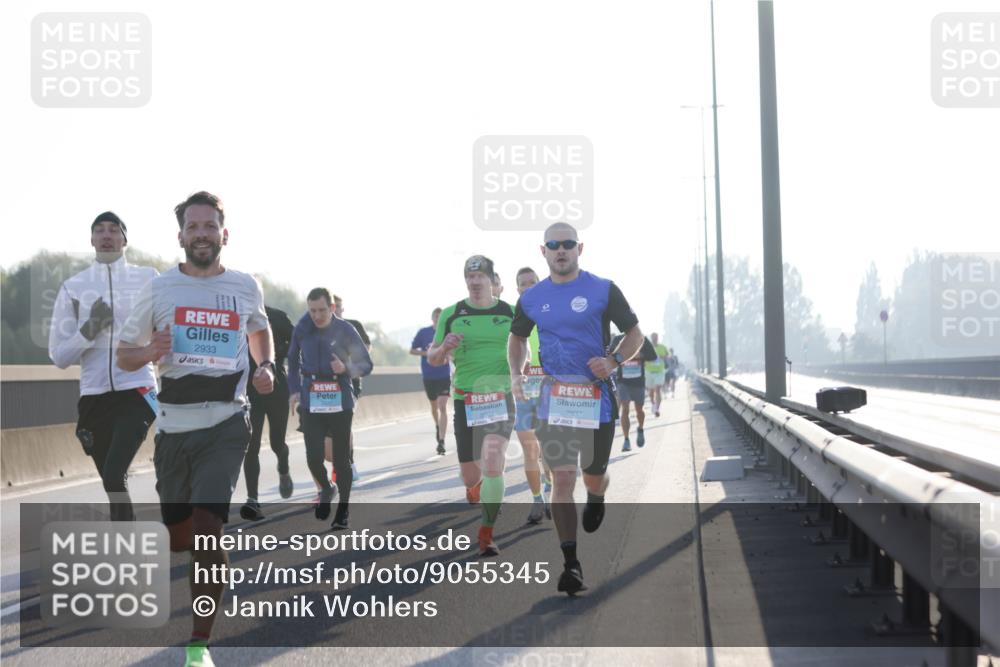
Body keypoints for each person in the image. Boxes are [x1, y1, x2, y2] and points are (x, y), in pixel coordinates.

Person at [117, 191, 276, 667]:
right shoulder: (160, 288)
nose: (202, 234)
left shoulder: (246, 285)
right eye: (193, 227)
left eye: (210, 226)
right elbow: (126, 353)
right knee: (181, 536)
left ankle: (197, 644)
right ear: (181, 235)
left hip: (227, 422)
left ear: (223, 234)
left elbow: (259, 328)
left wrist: (265, 364)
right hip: (173, 428)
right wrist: (149, 352)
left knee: (209, 534)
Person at [509, 222, 644, 596]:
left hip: (596, 398)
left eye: (568, 244)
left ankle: (598, 495)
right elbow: (517, 338)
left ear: (579, 248)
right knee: (563, 480)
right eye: (554, 245)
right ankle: (571, 564)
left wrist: (614, 360)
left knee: (592, 477)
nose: (561, 250)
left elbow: (636, 333)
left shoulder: (602, 289)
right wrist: (515, 372)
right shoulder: (533, 298)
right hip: (555, 399)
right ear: (544, 251)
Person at [48, 211, 159, 522]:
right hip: (94, 395)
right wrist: (90, 329)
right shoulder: (73, 286)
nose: (107, 235)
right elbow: (59, 356)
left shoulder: (148, 278)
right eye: (100, 230)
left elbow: (170, 326)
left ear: (125, 239)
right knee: (113, 483)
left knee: (113, 474)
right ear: (92, 239)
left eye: (114, 230)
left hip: (137, 389)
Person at [427, 255, 515, 557]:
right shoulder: (452, 314)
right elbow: (433, 358)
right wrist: (444, 347)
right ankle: (476, 489)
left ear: (492, 280)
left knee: (492, 461)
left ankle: (486, 533)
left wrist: (522, 372)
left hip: (501, 397)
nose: (474, 282)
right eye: (469, 277)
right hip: (467, 401)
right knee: (470, 475)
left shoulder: (511, 313)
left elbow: (524, 349)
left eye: (480, 277)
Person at [288, 288, 373, 530]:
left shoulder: (345, 329)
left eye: (322, 310)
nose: (316, 315)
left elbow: (366, 364)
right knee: (313, 457)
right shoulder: (302, 328)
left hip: (340, 398)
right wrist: (294, 390)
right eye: (312, 310)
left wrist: (345, 367)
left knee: (341, 460)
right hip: (312, 398)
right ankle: (326, 488)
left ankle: (343, 512)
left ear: (332, 308)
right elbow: (292, 361)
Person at [240, 304, 295, 521]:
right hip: (249, 388)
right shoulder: (237, 316)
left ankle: (283, 468)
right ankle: (253, 499)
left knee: (276, 443)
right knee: (250, 446)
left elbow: (297, 343)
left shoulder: (278, 316)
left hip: (277, 386)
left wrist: (275, 354)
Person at [512, 267, 550, 524]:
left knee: (549, 449)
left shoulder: (551, 312)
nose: (527, 286)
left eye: (532, 282)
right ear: (517, 289)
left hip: (550, 389)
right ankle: (537, 500)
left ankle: (552, 488)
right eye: (522, 283)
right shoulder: (513, 318)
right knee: (530, 449)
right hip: (525, 391)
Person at [331, 294, 370, 483]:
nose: (336, 310)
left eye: (339, 307)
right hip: (325, 386)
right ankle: (337, 463)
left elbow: (366, 349)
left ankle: (349, 462)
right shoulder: (318, 328)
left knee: (344, 425)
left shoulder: (352, 326)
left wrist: (349, 363)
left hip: (350, 382)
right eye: (334, 306)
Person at [410, 307, 451, 454]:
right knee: (434, 407)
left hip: (444, 375)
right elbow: (412, 350)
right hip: (429, 375)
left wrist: (448, 356)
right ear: (432, 318)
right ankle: (438, 426)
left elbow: (455, 351)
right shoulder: (423, 332)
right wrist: (426, 353)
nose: (437, 319)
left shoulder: (448, 333)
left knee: (442, 406)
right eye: (435, 316)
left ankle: (441, 440)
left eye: (440, 317)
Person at [612, 333, 657, 452]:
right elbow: (610, 354)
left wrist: (640, 355)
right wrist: (623, 356)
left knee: (639, 410)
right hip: (623, 381)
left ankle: (640, 429)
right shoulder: (618, 339)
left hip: (638, 382)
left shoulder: (642, 338)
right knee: (625, 408)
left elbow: (653, 356)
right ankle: (626, 440)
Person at [645, 332, 668, 417]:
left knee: (658, 389)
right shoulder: (647, 347)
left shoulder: (662, 347)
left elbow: (667, 356)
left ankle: (657, 409)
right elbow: (643, 356)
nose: (655, 338)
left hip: (659, 371)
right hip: (649, 371)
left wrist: (661, 357)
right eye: (653, 337)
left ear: (658, 338)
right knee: (651, 392)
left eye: (656, 337)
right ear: (651, 338)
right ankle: (654, 405)